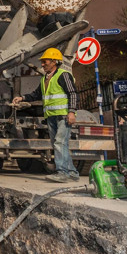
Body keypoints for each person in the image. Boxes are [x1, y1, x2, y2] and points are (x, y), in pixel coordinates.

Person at [12, 48, 79, 183]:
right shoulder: (44, 79)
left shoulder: (63, 75)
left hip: (63, 115)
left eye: (45, 61)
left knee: (60, 143)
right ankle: (72, 172)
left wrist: (72, 112)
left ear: (54, 61)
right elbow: (36, 95)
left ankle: (62, 172)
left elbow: (72, 93)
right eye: (42, 62)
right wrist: (22, 98)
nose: (42, 64)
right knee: (59, 144)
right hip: (51, 115)